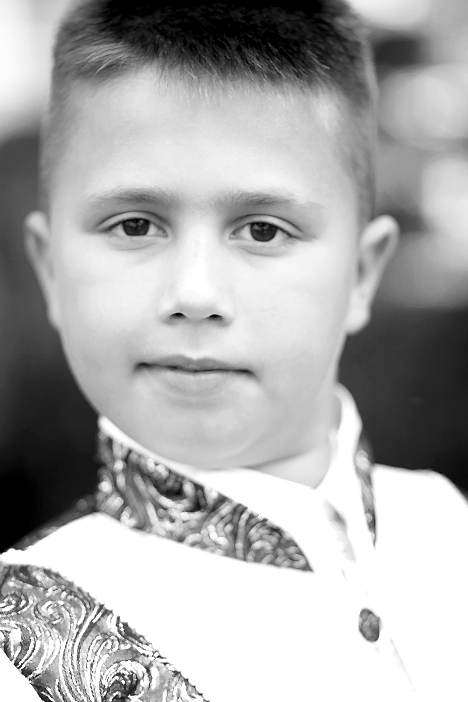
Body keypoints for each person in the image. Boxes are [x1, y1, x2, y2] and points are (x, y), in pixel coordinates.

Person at [0, 0, 466, 700]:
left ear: (362, 274)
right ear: (50, 270)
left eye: (264, 230)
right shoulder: (23, 650)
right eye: (135, 225)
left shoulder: (444, 524)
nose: (195, 293)